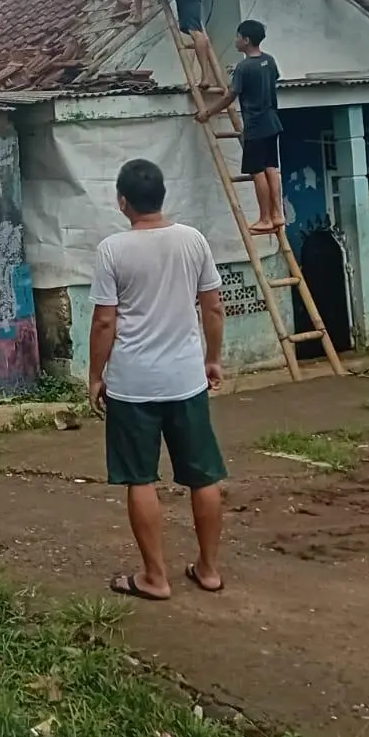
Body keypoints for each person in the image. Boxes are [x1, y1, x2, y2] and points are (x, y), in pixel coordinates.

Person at [89, 159, 228, 601]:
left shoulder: (112, 250)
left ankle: (155, 577)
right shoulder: (193, 240)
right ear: (162, 196)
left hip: (133, 384)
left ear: (122, 202)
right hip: (186, 379)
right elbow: (213, 307)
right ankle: (208, 570)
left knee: (140, 478)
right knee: (203, 475)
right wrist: (212, 359)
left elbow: (105, 322)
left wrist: (95, 375)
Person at [196, 19, 284, 234]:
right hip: (272, 121)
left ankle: (265, 218)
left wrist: (208, 112)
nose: (235, 40)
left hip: (255, 125)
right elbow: (273, 79)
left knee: (257, 172)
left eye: (237, 37)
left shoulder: (244, 67)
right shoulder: (269, 61)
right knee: (271, 168)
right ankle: (277, 214)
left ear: (246, 40)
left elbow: (230, 97)